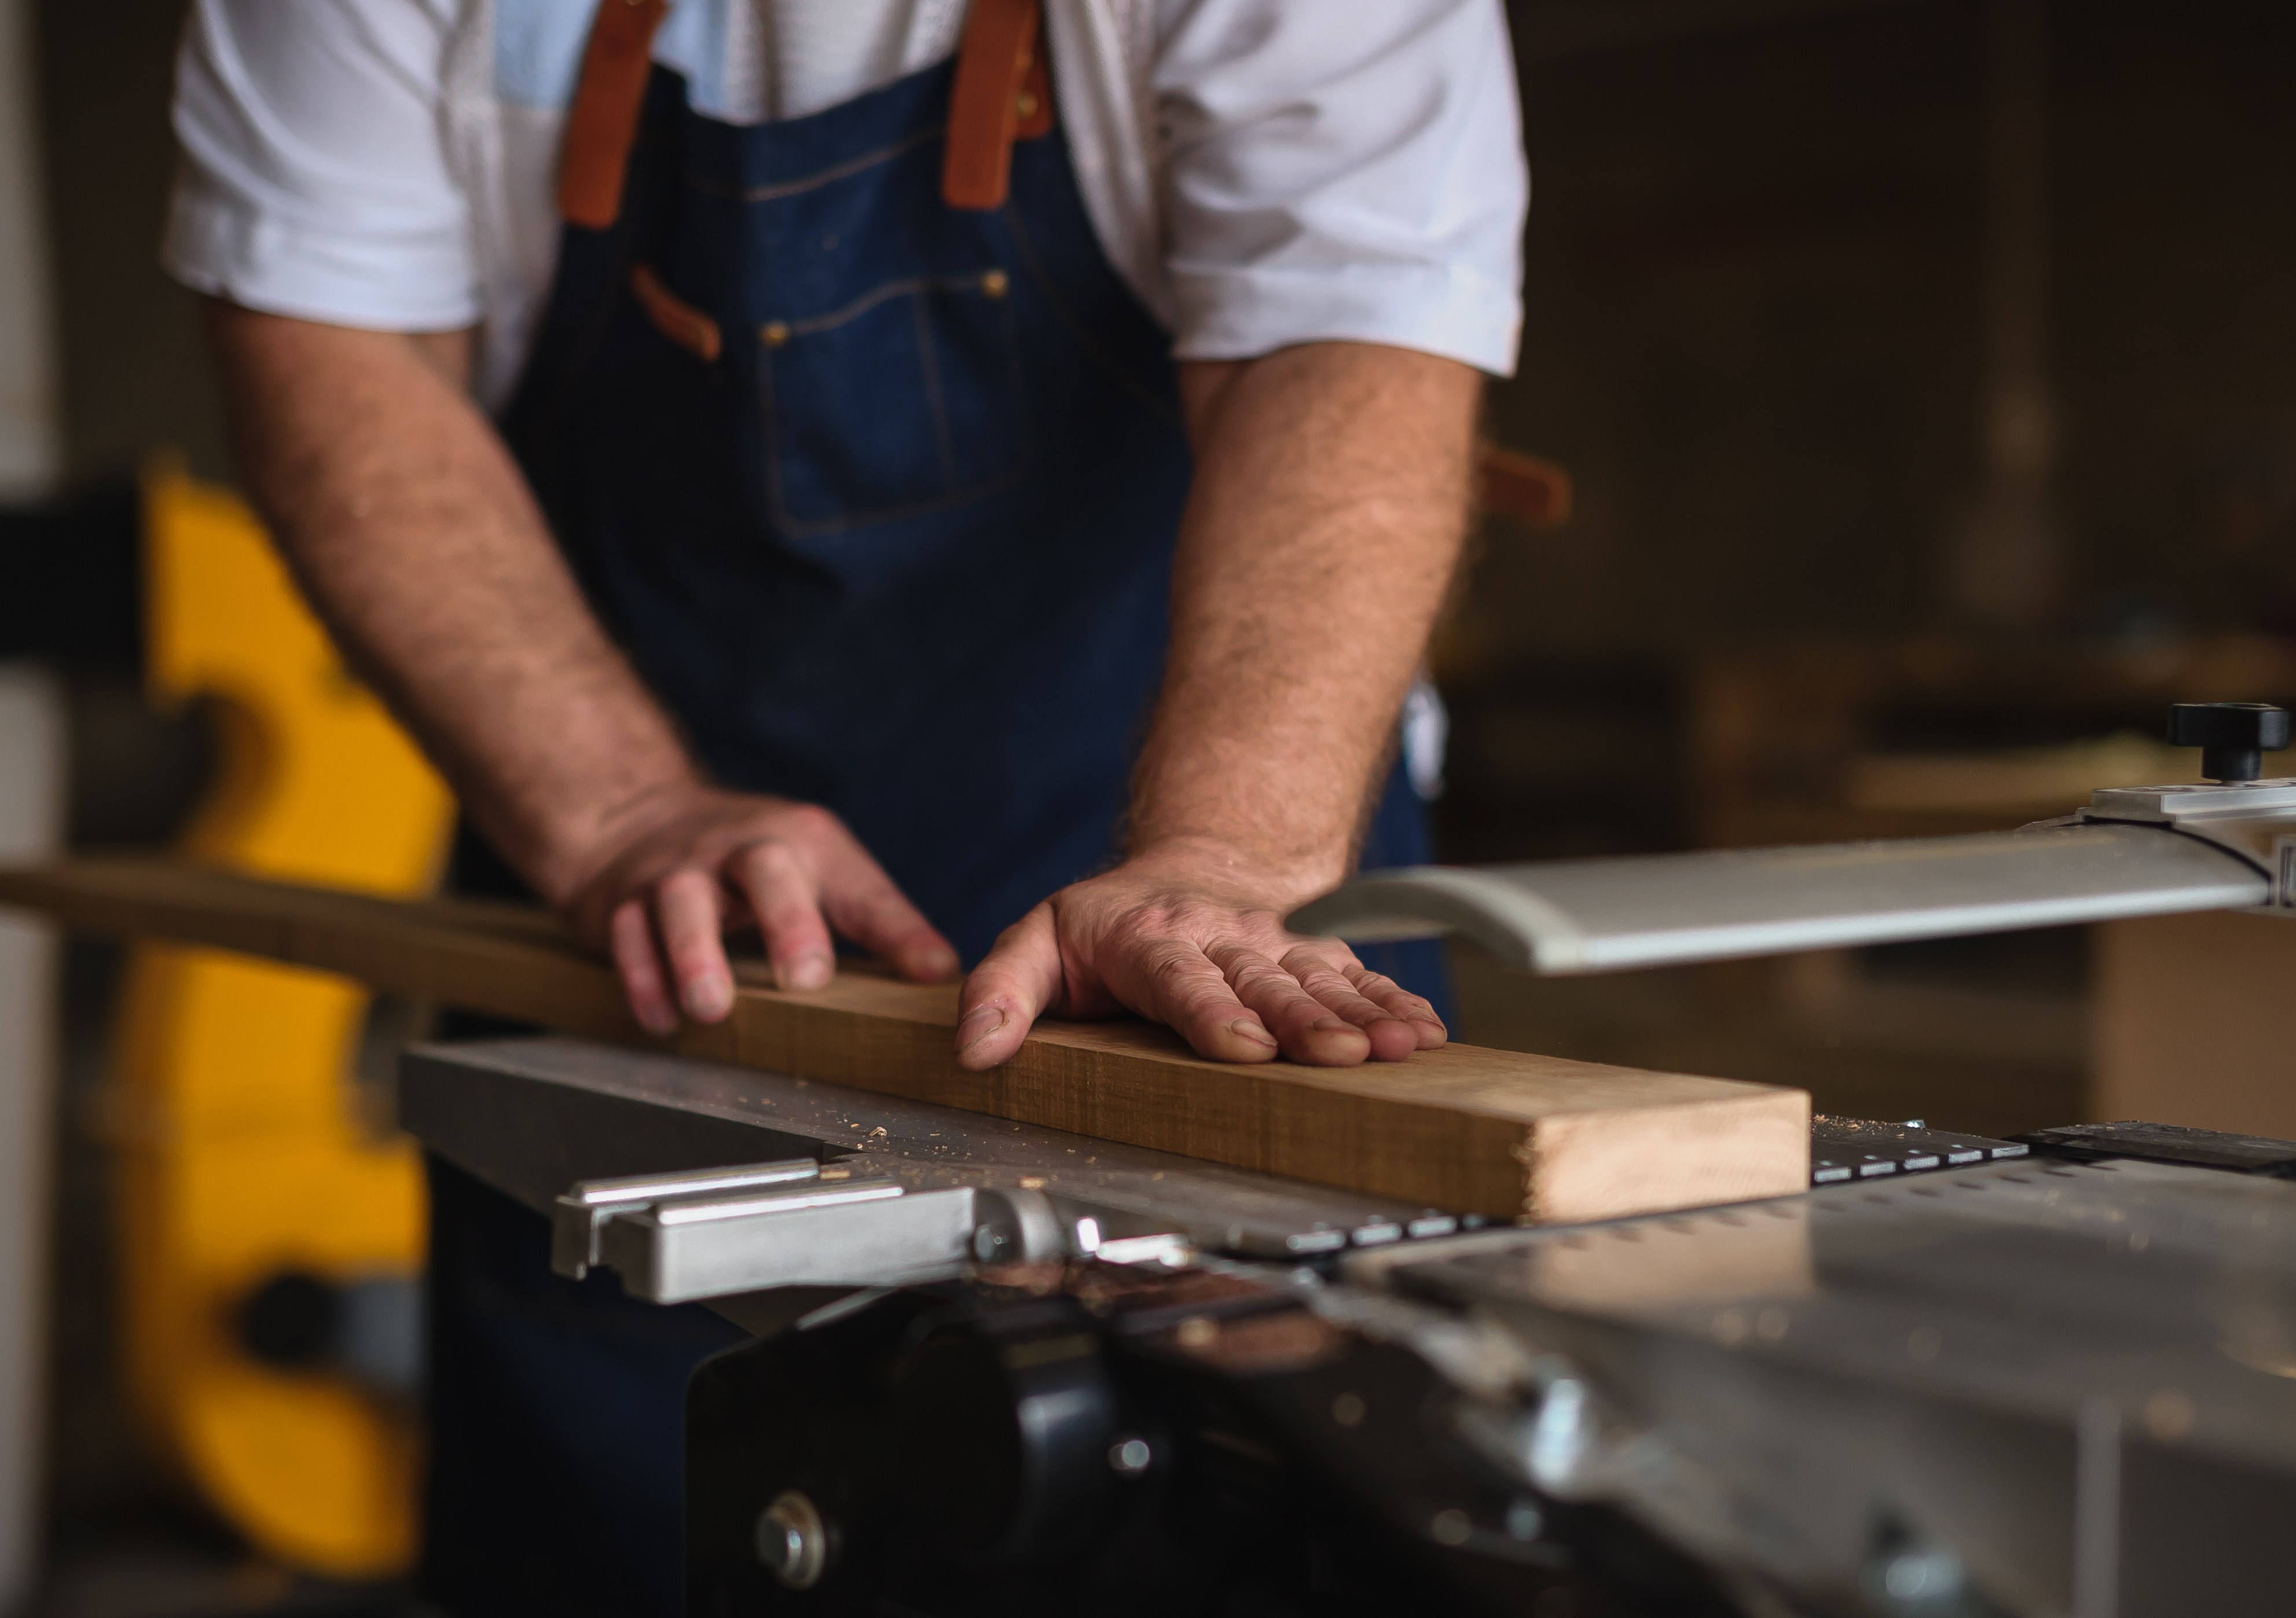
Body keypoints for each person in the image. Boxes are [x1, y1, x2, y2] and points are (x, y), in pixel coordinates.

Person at [164, 1, 1526, 1609]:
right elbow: (336, 343)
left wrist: (1225, 853)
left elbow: (1347, 330)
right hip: (649, 949)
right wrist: (611, 808)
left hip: (1204, 903)